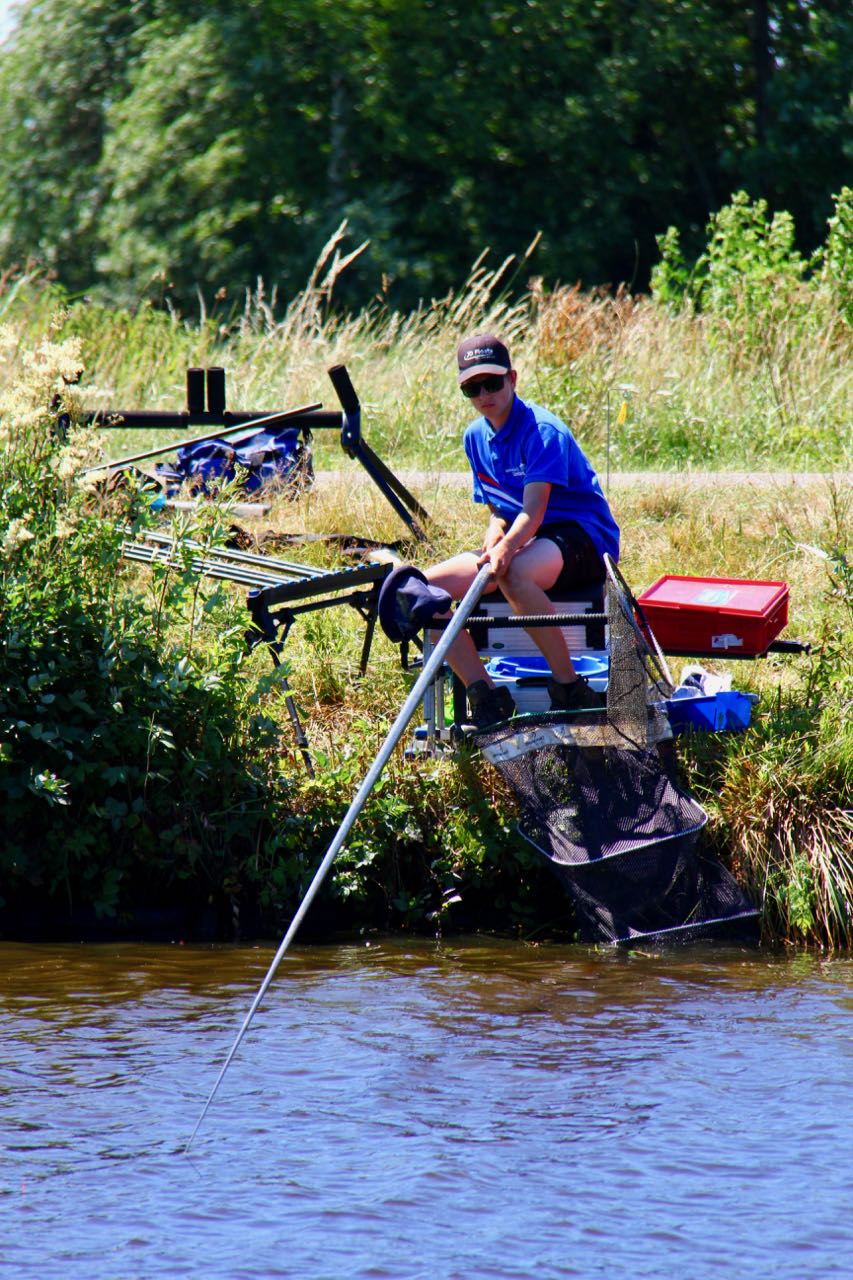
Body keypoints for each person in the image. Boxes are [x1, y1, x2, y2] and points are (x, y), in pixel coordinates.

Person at [425, 332, 620, 726]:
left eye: (492, 383)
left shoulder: (542, 431)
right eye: (473, 388)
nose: (484, 394)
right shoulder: (474, 438)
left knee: (512, 574)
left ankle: (569, 687)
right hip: (530, 537)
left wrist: (505, 548)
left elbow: (533, 511)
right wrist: (494, 535)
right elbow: (501, 508)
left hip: (581, 533)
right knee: (422, 592)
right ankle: (487, 697)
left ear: (512, 378)